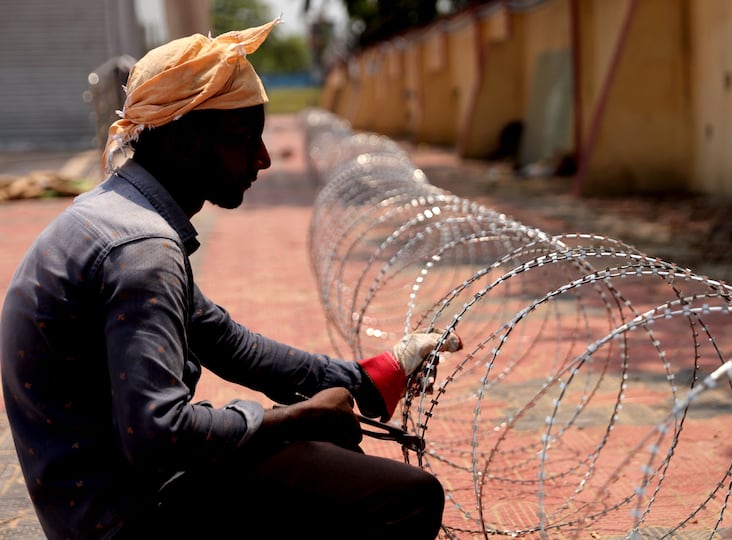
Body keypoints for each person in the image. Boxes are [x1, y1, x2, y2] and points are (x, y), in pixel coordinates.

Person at [0, 18, 462, 540]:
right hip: (127, 513)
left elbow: (227, 341)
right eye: (244, 138)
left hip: (96, 497)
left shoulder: (114, 213)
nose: (263, 158)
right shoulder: (142, 250)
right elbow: (155, 435)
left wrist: (372, 378)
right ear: (184, 140)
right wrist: (294, 420)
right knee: (406, 496)